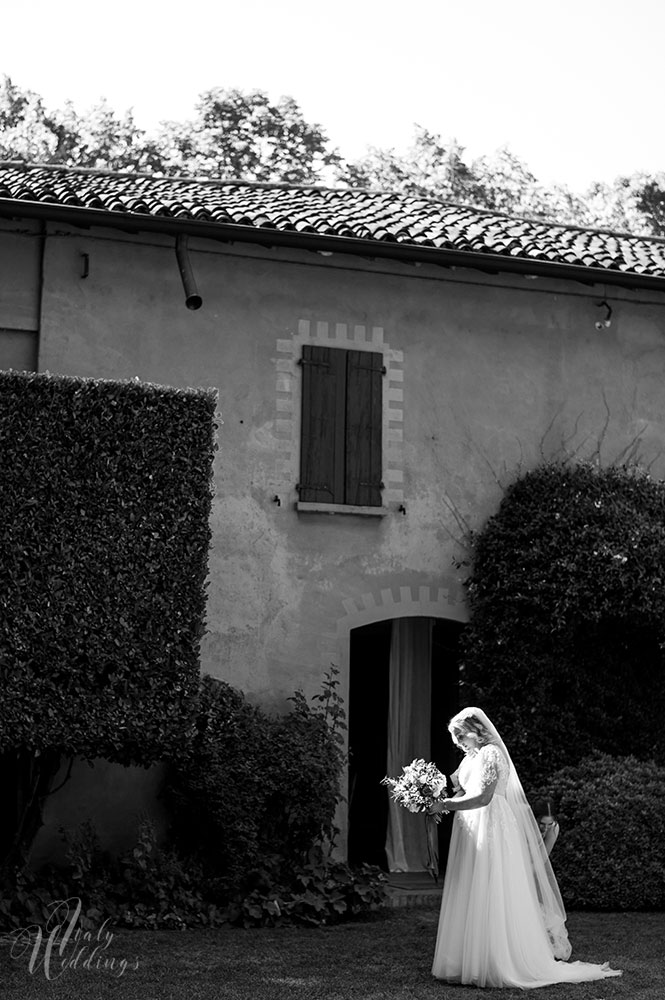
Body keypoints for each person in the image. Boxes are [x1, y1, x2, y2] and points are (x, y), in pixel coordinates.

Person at [429, 708, 622, 989]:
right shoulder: (472, 757)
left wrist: (443, 805)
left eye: (460, 735)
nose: (457, 742)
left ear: (475, 730)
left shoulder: (492, 753)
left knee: (491, 887)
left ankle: (496, 961)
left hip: (490, 825)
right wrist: (427, 792)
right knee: (471, 887)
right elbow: (459, 788)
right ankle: (468, 959)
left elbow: (483, 797)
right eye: (454, 737)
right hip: (472, 827)